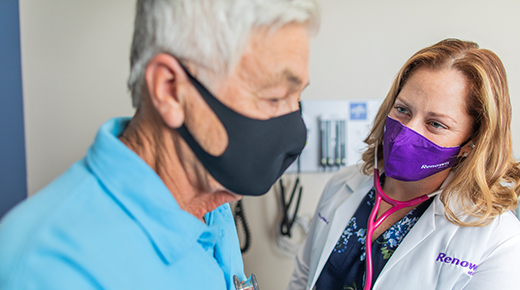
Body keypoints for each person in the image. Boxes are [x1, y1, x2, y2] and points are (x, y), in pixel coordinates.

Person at [0, 0, 320, 289]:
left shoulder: (212, 200)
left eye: (298, 98)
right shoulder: (50, 269)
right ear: (170, 91)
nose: (296, 133)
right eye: (274, 97)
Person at [287, 38, 520, 290]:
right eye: (403, 110)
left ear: (471, 143)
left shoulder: (499, 241)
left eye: (435, 124)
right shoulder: (342, 184)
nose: (407, 130)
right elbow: (303, 278)